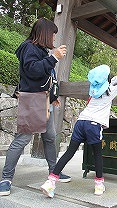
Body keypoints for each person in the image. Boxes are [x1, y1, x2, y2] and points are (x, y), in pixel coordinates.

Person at [0, 17, 71, 196]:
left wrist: (54, 97)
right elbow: (32, 70)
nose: (54, 39)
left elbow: (47, 78)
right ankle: (6, 179)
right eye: (53, 35)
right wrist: (54, 57)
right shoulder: (29, 48)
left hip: (44, 100)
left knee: (50, 137)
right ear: (46, 34)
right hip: (33, 101)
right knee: (22, 140)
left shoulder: (40, 51)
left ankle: (54, 171)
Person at [40, 64, 117, 198]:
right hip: (93, 125)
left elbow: (109, 82)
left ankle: (50, 182)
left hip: (81, 123)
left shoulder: (93, 89)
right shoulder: (110, 92)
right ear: (107, 80)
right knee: (97, 155)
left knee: (69, 153)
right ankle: (99, 186)